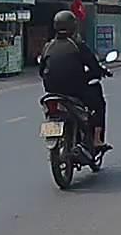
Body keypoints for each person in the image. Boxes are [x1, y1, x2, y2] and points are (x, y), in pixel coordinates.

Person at [39, 9, 112, 157]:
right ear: (73, 26)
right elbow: (94, 66)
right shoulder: (77, 45)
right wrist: (99, 72)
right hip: (75, 90)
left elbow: (41, 71)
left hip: (52, 91)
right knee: (98, 102)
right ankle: (97, 140)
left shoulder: (48, 46)